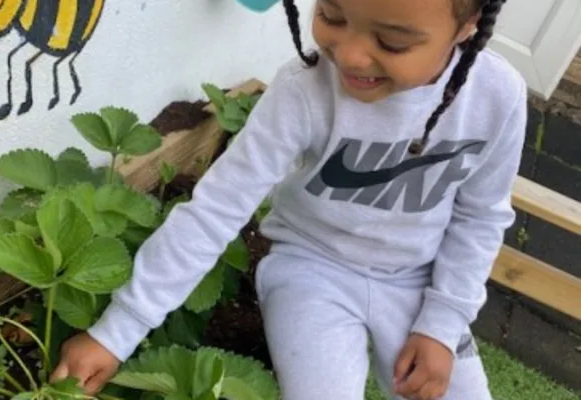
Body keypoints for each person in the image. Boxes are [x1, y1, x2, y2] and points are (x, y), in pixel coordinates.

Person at [52, 0, 526, 399]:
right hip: (312, 268)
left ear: (467, 26)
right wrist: (117, 332)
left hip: (417, 279)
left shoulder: (497, 97)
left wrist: (441, 325)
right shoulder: (304, 89)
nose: (351, 56)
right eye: (332, 15)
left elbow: (480, 217)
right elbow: (215, 210)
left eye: (392, 42)